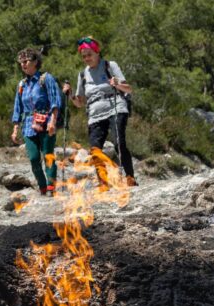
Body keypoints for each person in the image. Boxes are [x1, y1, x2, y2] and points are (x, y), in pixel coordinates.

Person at [62, 37, 137, 187]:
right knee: (95, 150)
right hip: (95, 114)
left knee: (119, 143)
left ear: (97, 52)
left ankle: (129, 177)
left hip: (115, 106)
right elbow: (79, 103)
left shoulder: (110, 65)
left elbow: (128, 89)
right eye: (83, 56)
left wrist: (117, 84)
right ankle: (103, 182)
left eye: (89, 54)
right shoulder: (83, 74)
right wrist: (70, 95)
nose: (86, 58)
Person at [11, 48, 62, 196]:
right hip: (28, 125)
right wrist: (15, 128)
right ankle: (42, 186)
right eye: (21, 62)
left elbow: (55, 101)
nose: (23, 65)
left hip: (46, 122)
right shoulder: (21, 84)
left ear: (35, 62)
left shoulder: (46, 79)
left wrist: (53, 121)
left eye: (26, 61)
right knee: (34, 158)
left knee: (48, 155)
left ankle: (51, 186)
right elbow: (17, 107)